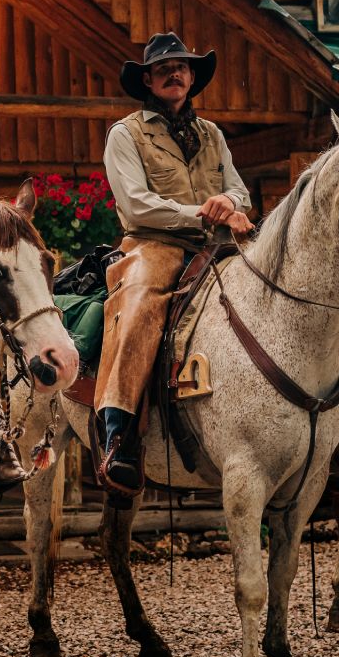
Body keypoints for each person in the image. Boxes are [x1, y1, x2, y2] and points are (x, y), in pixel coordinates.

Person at [92, 32, 254, 497]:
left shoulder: (212, 134)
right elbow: (138, 206)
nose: (175, 73)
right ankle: (118, 432)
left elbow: (239, 188)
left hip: (218, 243)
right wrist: (200, 211)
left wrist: (228, 200)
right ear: (147, 79)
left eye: (182, 67)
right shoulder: (125, 134)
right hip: (153, 244)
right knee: (140, 302)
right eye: (164, 68)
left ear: (192, 78)